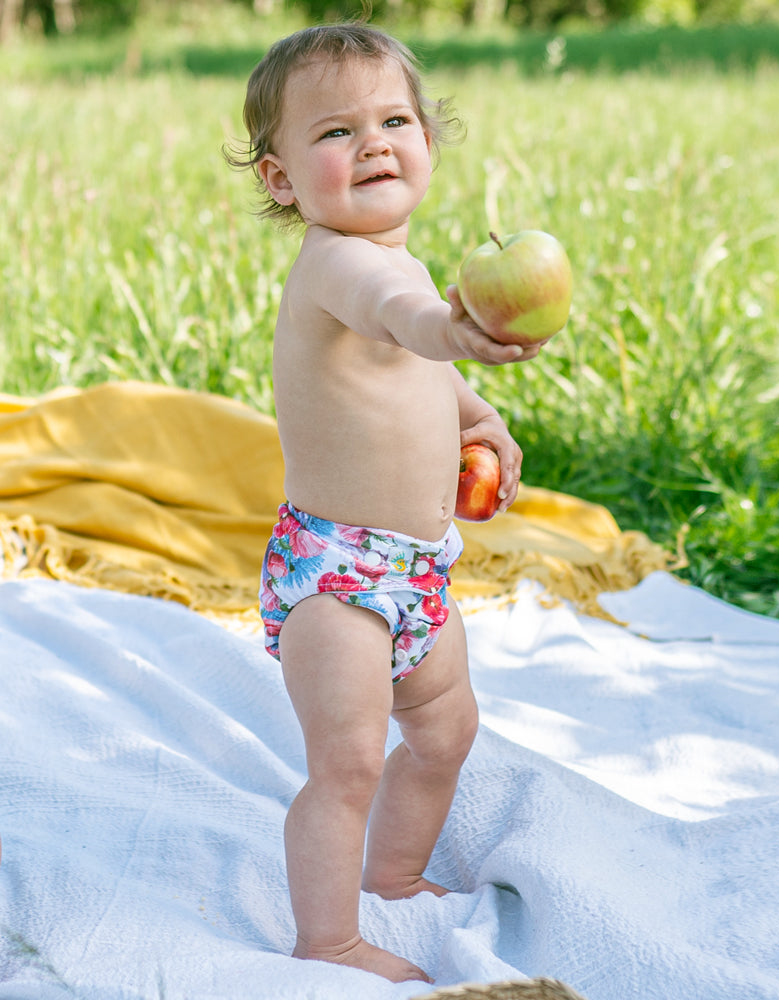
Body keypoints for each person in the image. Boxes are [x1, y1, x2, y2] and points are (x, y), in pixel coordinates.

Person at [226, 22, 546, 984]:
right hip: (337, 575)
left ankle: (395, 876)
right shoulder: (340, 265)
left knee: (448, 730)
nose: (370, 142)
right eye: (334, 132)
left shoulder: (403, 264)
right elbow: (396, 319)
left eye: (393, 119)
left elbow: (418, 366)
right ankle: (327, 939)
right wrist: (453, 329)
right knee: (351, 760)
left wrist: (479, 414)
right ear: (282, 180)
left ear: (428, 144)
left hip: (417, 568)